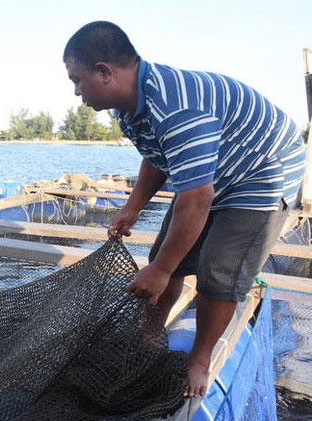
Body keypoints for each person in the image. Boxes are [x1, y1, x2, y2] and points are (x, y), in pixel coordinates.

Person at [62, 21, 307, 398]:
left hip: (263, 172)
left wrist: (161, 271)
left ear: (105, 72)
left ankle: (200, 358)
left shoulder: (176, 109)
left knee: (218, 272)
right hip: (214, 170)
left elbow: (196, 199)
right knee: (165, 255)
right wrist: (133, 207)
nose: (77, 92)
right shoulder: (128, 109)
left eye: (78, 80)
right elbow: (157, 157)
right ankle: (148, 340)